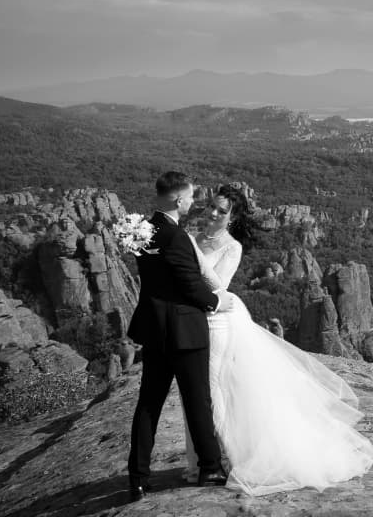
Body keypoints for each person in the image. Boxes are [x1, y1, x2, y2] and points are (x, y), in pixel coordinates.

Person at [180, 183, 373, 495]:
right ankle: (200, 463)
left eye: (223, 211)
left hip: (218, 321)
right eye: (213, 207)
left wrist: (190, 249)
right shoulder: (196, 238)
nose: (214, 213)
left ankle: (220, 460)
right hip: (192, 318)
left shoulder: (232, 246)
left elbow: (218, 283)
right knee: (193, 390)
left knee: (211, 388)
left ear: (232, 218)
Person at [126, 171, 231, 502]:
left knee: (148, 403)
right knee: (198, 399)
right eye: (189, 197)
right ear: (176, 199)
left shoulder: (141, 230)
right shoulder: (176, 236)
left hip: (154, 329)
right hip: (185, 330)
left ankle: (138, 477)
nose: (192, 202)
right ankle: (210, 467)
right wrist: (217, 301)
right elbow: (189, 283)